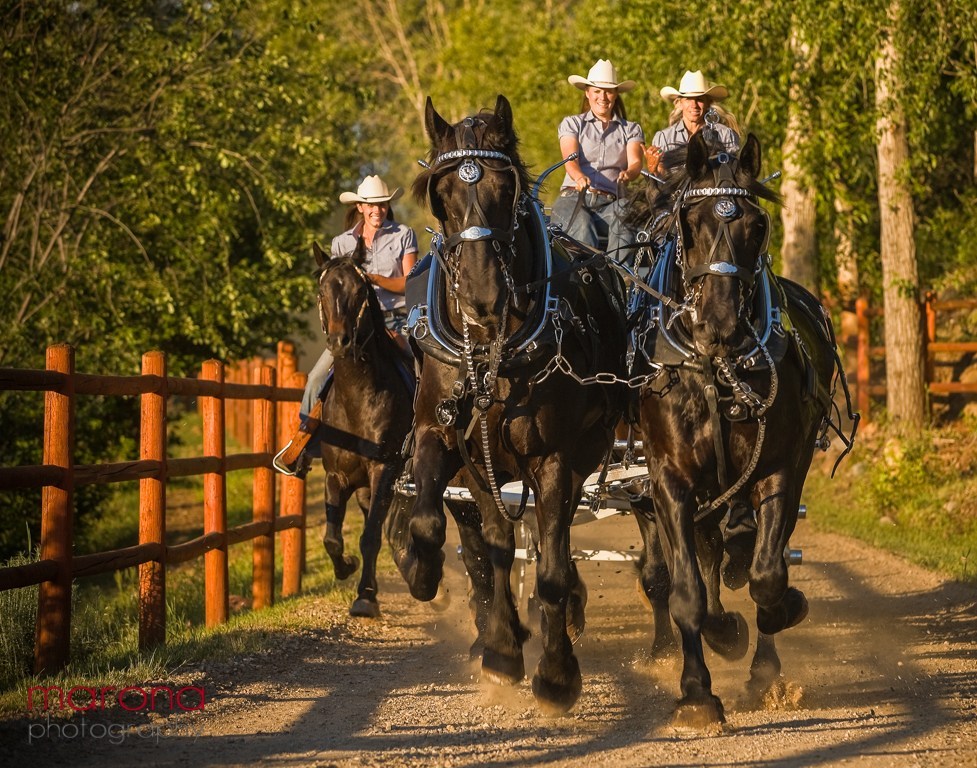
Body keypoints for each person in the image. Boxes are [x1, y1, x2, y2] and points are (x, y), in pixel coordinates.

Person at [274, 174, 418, 477]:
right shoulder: (342, 243)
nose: (377, 211)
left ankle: (422, 437)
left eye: (382, 205)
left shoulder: (404, 234)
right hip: (355, 326)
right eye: (371, 206)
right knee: (315, 378)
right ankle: (302, 445)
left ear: (387, 205)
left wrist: (374, 280)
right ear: (360, 207)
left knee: (418, 368)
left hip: (395, 321)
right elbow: (336, 289)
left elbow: (410, 283)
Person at [550, 59, 645, 258]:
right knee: (582, 225)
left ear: (616, 95)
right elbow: (570, 159)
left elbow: (636, 161)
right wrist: (578, 176)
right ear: (587, 92)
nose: (603, 97)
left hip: (610, 202)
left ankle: (619, 276)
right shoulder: (572, 124)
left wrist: (629, 173)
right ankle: (591, 280)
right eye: (597, 91)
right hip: (574, 198)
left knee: (626, 211)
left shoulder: (631, 129)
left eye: (608, 91)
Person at [644, 69, 740, 175]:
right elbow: (661, 180)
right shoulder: (664, 137)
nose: (694, 105)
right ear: (679, 103)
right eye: (688, 99)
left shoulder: (725, 134)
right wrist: (654, 169)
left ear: (708, 103)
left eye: (699, 99)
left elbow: (732, 173)